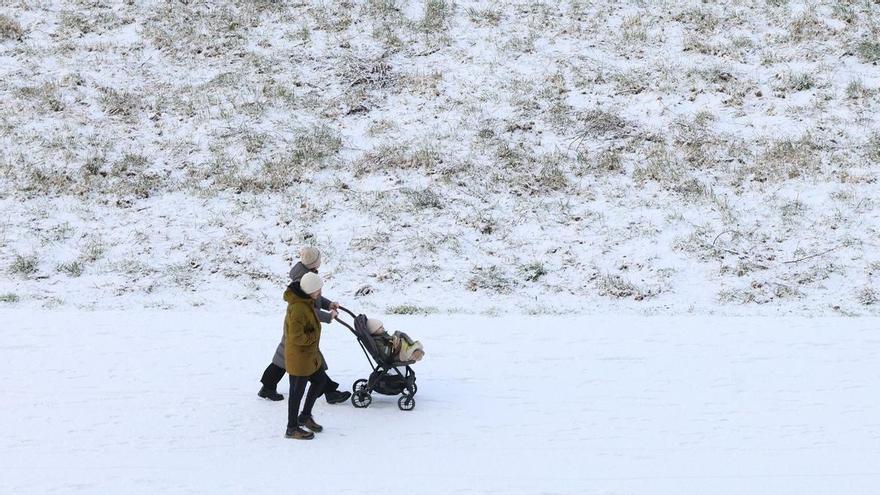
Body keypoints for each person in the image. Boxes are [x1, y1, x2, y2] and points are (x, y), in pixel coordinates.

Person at [258, 247, 351, 404]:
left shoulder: (307, 275)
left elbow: (315, 297)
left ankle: (267, 387)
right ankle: (330, 392)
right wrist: (329, 317)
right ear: (314, 262)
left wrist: (328, 305)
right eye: (319, 259)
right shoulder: (302, 279)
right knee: (305, 358)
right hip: (299, 325)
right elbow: (308, 309)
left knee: (285, 357)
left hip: (298, 324)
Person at [284, 272, 329, 440]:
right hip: (299, 358)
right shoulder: (297, 308)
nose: (320, 292)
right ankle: (291, 428)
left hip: (309, 355)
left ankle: (305, 416)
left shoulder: (306, 301)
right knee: (296, 393)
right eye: (318, 289)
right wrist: (312, 337)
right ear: (310, 290)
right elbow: (296, 336)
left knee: (320, 380)